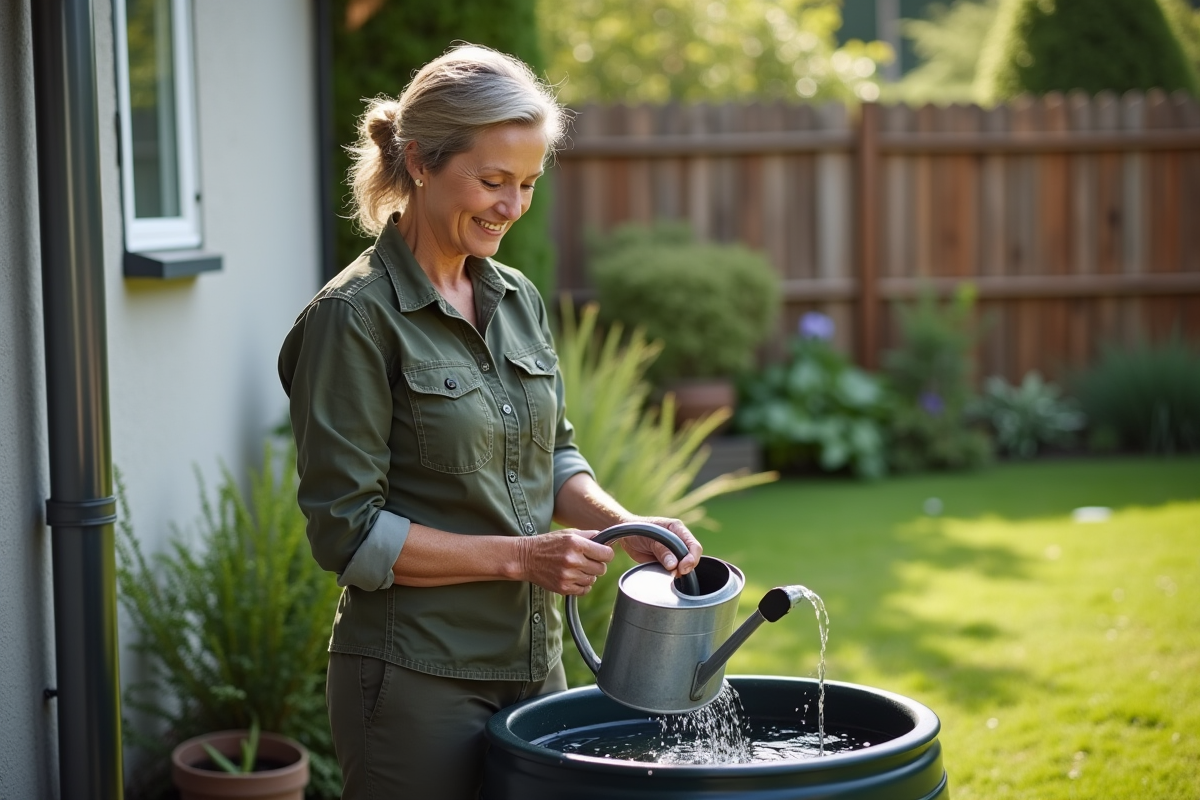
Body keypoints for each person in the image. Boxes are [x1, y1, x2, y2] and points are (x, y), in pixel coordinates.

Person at [277, 45, 702, 799]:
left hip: (537, 671)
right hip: (414, 680)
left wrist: (623, 524)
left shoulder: (517, 298)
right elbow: (347, 532)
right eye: (493, 180)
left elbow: (555, 456)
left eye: (529, 184)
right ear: (419, 161)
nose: (512, 206)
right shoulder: (354, 320)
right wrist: (523, 559)